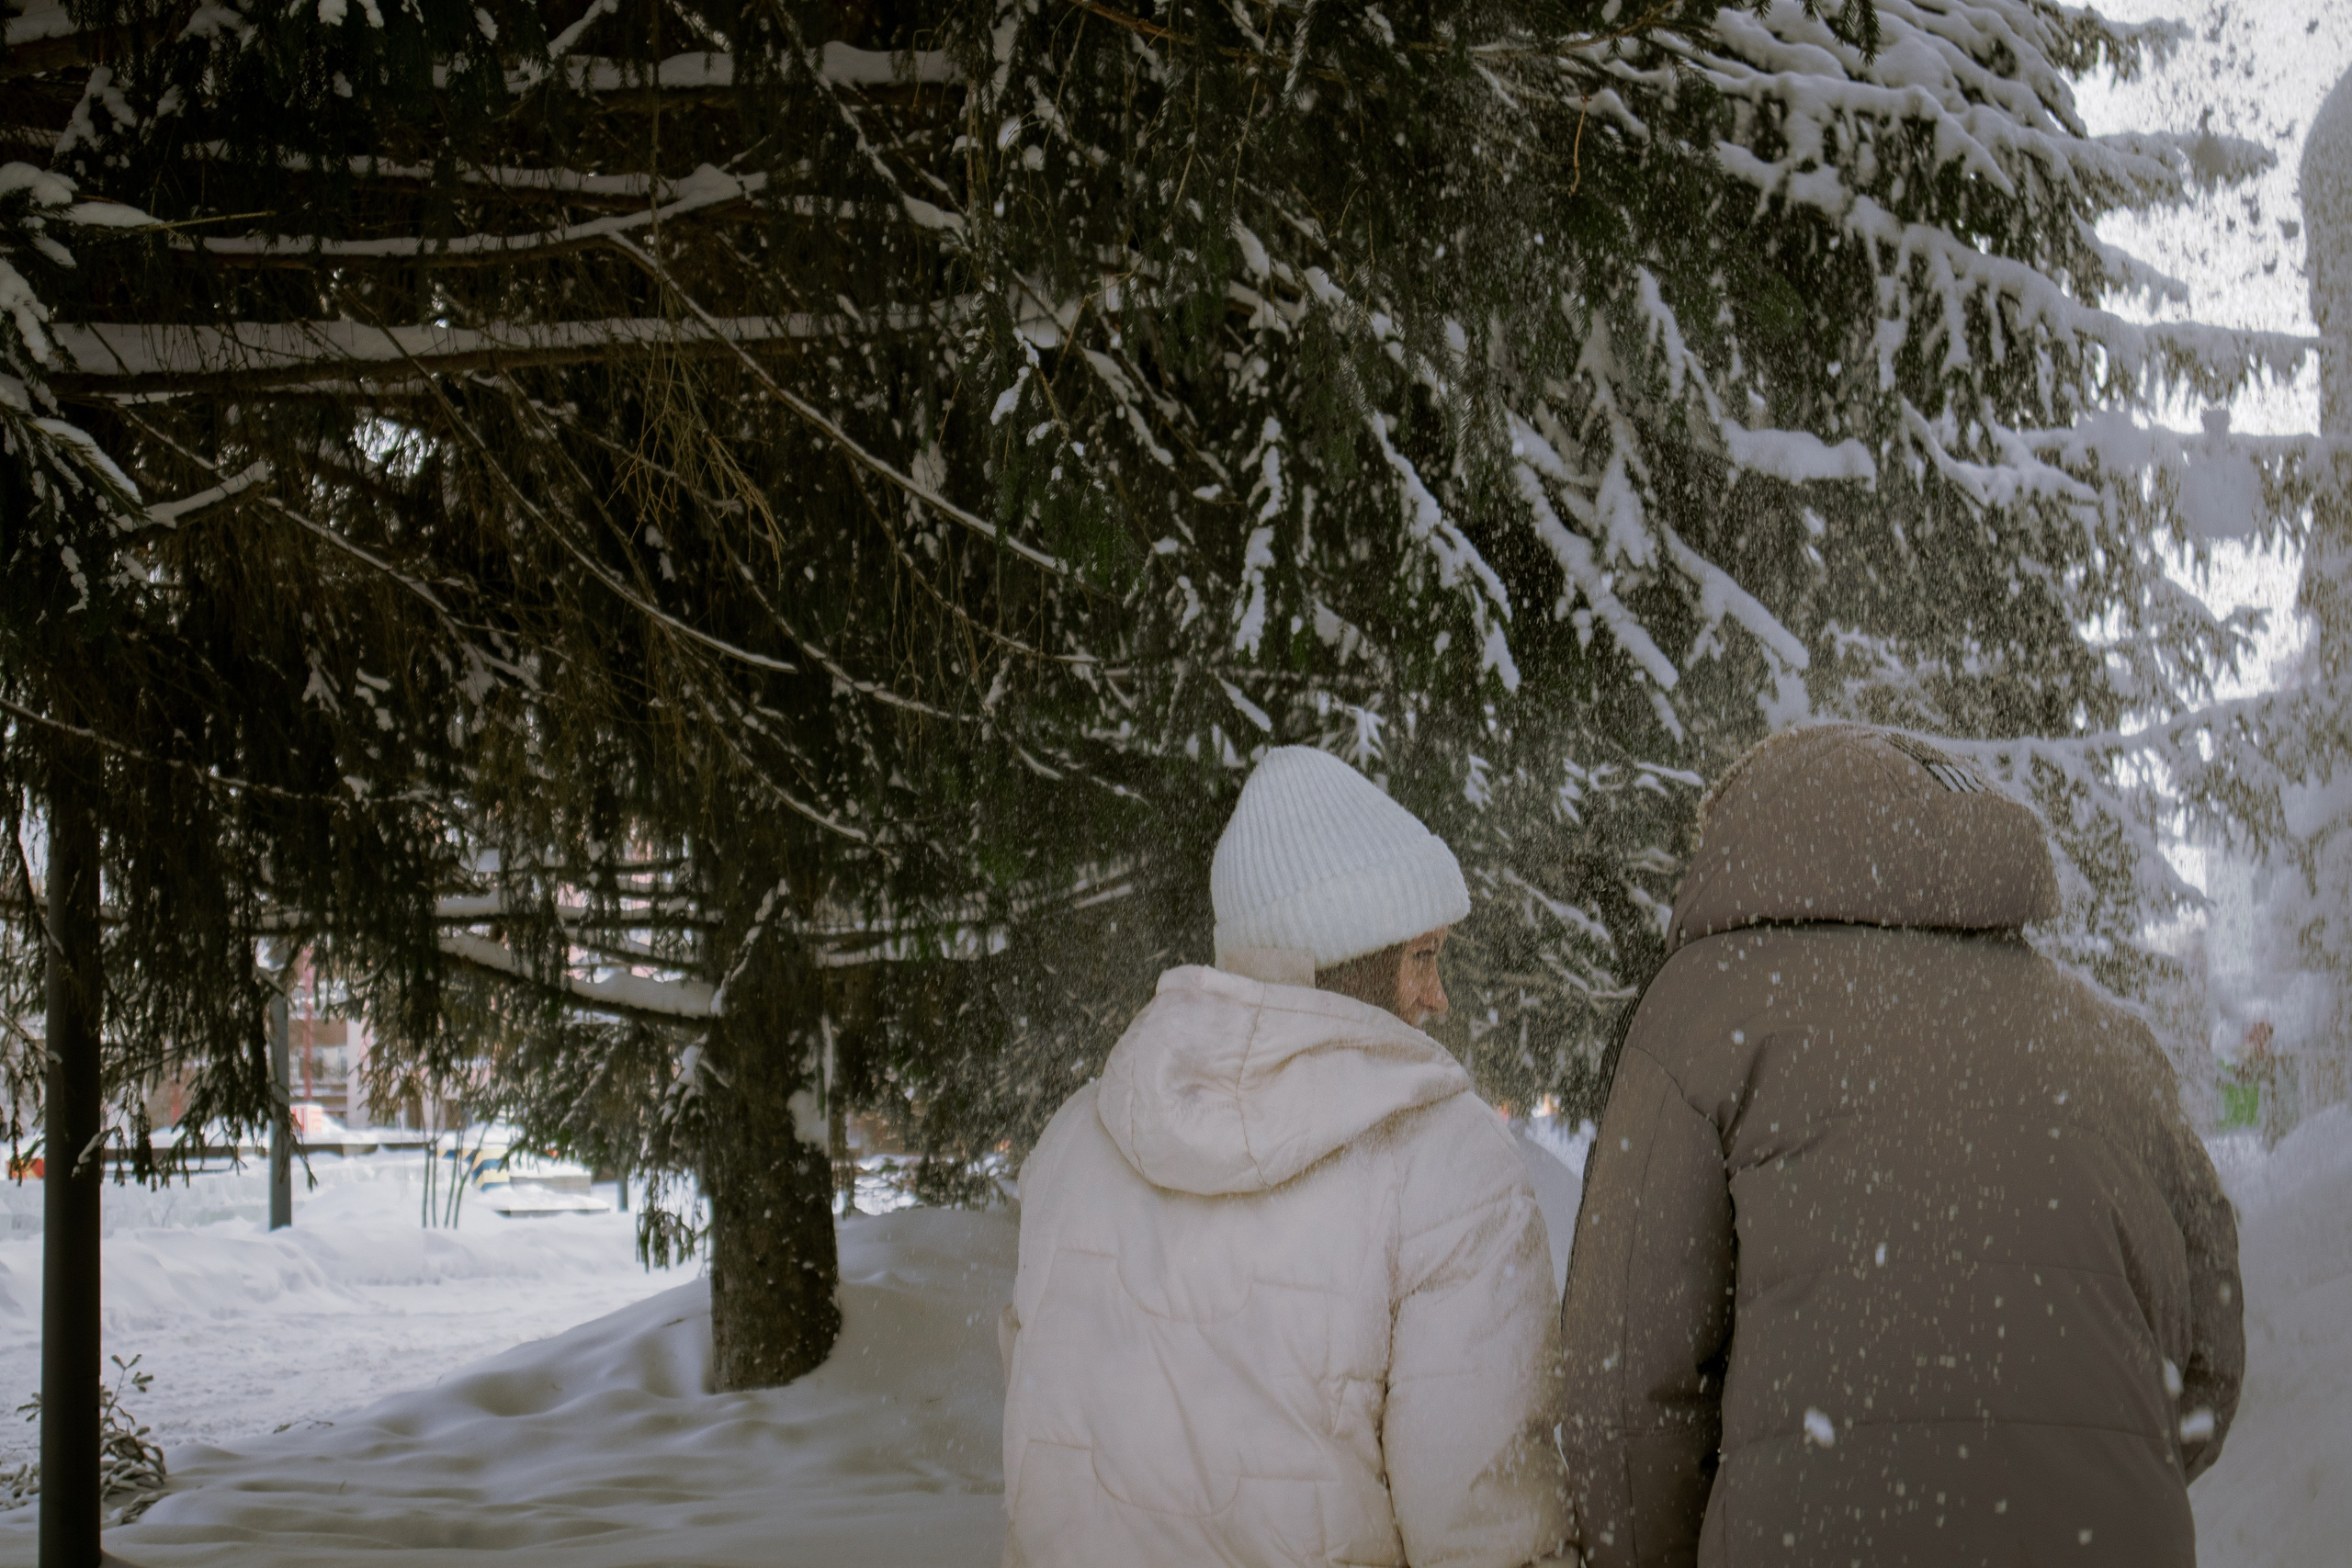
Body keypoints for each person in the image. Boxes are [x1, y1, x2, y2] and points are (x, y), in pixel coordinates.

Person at [1557, 723, 2244, 1566]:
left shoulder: (1704, 1014)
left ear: (1749, 840)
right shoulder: (2102, 1036)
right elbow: (2207, 1359)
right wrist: (2071, 1473)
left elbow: (1626, 1381)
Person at [999, 745, 1575, 1568]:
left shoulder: (1074, 1146)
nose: (1436, 996)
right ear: (1348, 957)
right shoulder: (1445, 1163)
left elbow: (1043, 1467)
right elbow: (1484, 1522)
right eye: (1422, 955)